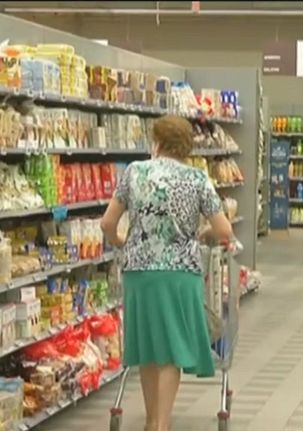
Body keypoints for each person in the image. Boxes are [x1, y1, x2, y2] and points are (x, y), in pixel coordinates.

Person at [100, 115, 234, 431]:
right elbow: (224, 230)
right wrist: (202, 233)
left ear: (157, 142)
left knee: (148, 347)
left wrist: (121, 241)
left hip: (139, 273)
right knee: (172, 349)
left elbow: (107, 223)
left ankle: (151, 422)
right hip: (179, 274)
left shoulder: (135, 172)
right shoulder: (197, 179)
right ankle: (162, 424)